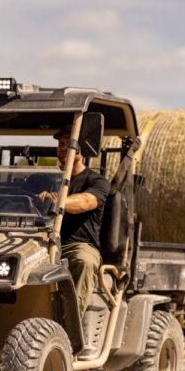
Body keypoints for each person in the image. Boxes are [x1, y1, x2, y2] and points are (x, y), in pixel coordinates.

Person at [39, 126, 110, 316]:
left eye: (68, 144)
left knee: (85, 261)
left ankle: (69, 324)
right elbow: (22, 199)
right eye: (60, 144)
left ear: (82, 148)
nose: (63, 148)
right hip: (40, 243)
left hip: (76, 245)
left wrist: (57, 201)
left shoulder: (97, 182)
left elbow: (86, 202)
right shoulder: (45, 179)